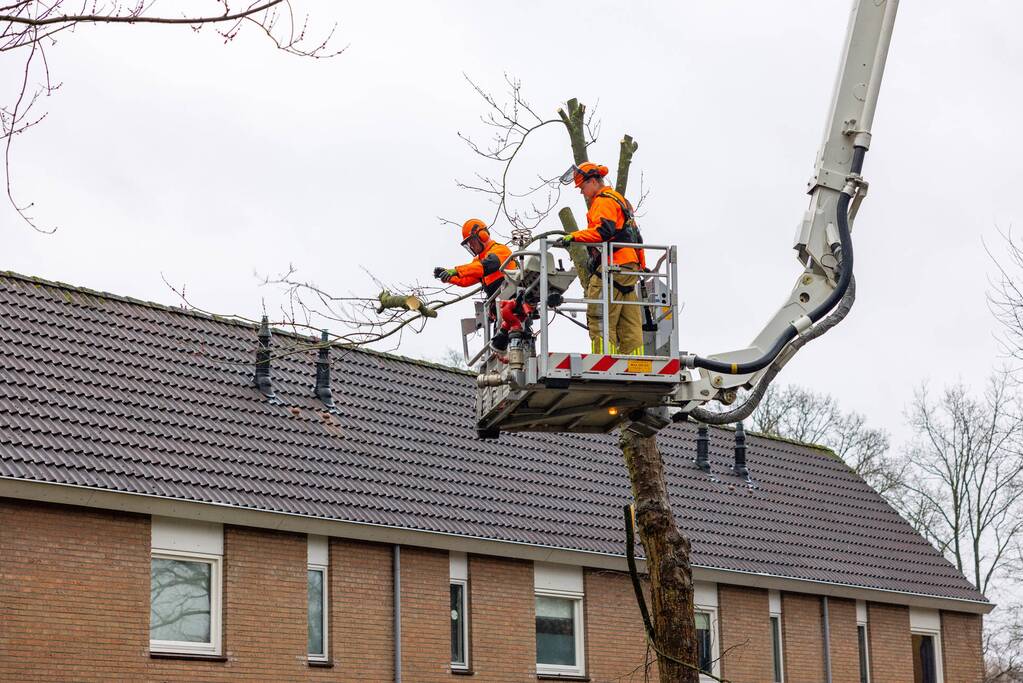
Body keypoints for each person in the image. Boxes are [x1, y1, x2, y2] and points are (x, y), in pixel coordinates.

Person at [556, 162, 645, 355]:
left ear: (593, 181)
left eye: (582, 187)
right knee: (630, 325)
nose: (581, 192)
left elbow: (603, 231)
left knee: (599, 319)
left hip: (613, 268)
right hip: (629, 268)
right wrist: (640, 267)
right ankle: (636, 365)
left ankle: (602, 362)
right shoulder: (620, 200)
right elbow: (636, 237)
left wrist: (574, 236)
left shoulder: (602, 201)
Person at [433, 219, 515, 298]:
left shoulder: (500, 249)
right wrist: (449, 276)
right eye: (469, 244)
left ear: (483, 235)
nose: (471, 246)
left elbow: (488, 265)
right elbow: (465, 280)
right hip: (498, 301)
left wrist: (457, 270)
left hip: (513, 294)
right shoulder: (478, 261)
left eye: (472, 242)